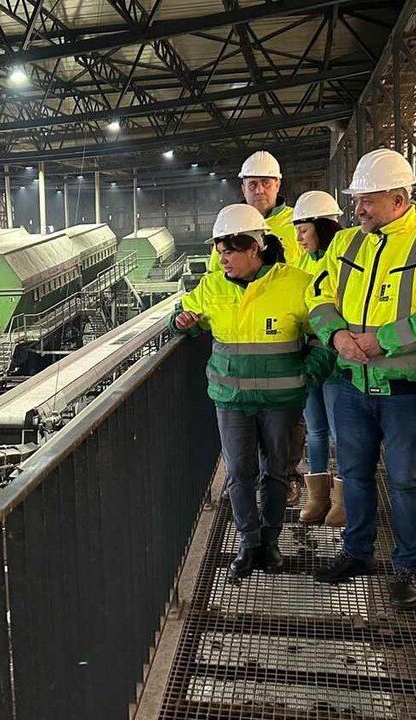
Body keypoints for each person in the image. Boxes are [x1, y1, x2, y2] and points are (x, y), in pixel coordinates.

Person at [307, 149, 416, 609]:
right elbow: (318, 294)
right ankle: (357, 553)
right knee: (355, 474)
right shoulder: (344, 244)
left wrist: (383, 341)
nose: (357, 209)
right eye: (357, 200)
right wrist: (336, 334)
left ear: (400, 200)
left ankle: (408, 567)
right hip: (352, 385)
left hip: (409, 389)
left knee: (406, 481)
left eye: (367, 200)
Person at [173, 204, 334, 580]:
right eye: (219, 250)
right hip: (231, 402)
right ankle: (249, 543)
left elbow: (324, 334)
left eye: (230, 250)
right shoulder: (212, 288)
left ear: (254, 248)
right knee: (238, 474)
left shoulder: (295, 284)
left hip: (281, 402)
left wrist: (307, 376)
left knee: (276, 473)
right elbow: (183, 318)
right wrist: (181, 323)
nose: (222, 258)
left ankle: (271, 541)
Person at [207, 150, 307, 504]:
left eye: (266, 183)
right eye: (252, 184)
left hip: (285, 339)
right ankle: (254, 511)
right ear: (243, 187)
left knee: (285, 428)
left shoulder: (295, 223)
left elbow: (307, 275)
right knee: (248, 443)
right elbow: (214, 281)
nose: (259, 189)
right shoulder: (229, 224)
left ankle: (288, 477)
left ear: (278, 185)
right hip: (241, 347)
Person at [290, 191, 346, 526]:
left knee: (341, 432)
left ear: (323, 227)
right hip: (310, 355)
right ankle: (317, 498)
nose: (298, 237)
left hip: (338, 357)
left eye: (304, 229)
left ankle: (343, 499)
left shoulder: (342, 261)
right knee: (315, 429)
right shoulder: (301, 264)